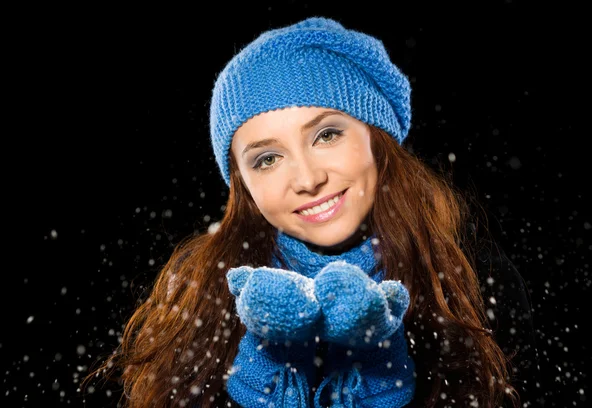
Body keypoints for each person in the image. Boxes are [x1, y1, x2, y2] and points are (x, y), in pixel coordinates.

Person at [83, 16, 541, 407]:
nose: (306, 179)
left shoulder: (468, 274)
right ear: (243, 184)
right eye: (267, 158)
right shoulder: (203, 290)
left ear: (376, 139)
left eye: (326, 134)